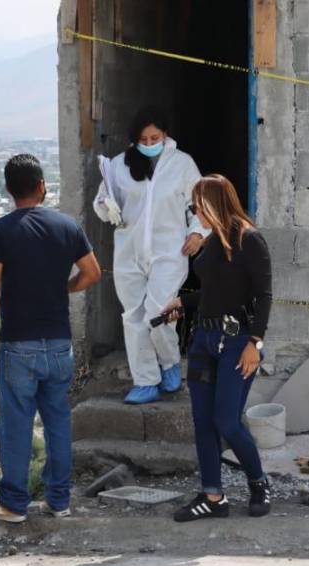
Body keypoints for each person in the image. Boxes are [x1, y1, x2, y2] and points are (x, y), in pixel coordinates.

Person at [0, 154, 101, 523]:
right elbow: (92, 273)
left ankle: (13, 504)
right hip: (59, 343)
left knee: (15, 425)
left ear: (8, 189)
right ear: (42, 185)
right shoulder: (67, 226)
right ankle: (58, 500)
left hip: (18, 344)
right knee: (58, 422)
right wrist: (66, 287)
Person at [159, 175, 272, 522]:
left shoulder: (249, 239)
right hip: (204, 341)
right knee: (203, 422)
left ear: (212, 203)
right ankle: (213, 497)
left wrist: (255, 343)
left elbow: (263, 296)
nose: (195, 213)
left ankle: (259, 482)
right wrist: (183, 302)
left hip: (237, 342)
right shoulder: (211, 241)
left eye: (197, 206)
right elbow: (214, 293)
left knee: (227, 421)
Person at [93, 106, 208, 405]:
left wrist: (197, 233)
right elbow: (102, 201)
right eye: (143, 140)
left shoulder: (182, 164)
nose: (149, 144)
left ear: (165, 135)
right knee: (133, 317)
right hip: (129, 252)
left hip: (169, 252)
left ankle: (169, 362)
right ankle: (145, 381)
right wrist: (106, 207)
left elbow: (200, 204)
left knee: (158, 312)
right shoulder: (119, 165)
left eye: (154, 138)